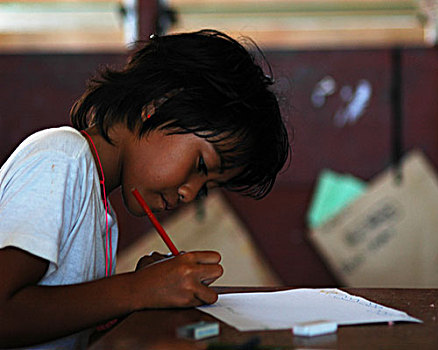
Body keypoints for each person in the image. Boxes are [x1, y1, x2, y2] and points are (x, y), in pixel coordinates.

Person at [0, 29, 290, 349]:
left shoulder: (97, 202)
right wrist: (137, 289)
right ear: (158, 104)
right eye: (201, 166)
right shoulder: (62, 158)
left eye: (207, 187)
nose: (190, 194)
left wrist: (148, 290)